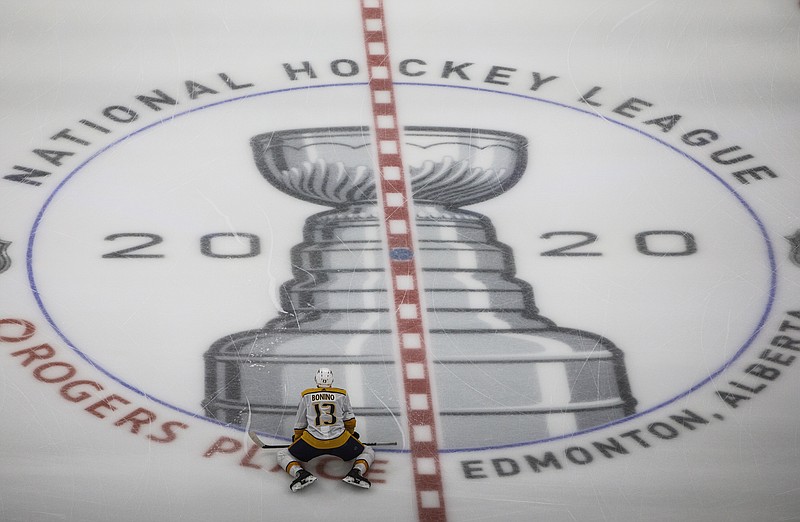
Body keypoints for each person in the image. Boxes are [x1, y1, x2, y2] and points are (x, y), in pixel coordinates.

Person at [277, 367, 375, 491]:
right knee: (368, 451)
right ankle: (356, 473)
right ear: (332, 380)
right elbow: (350, 420)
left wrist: (297, 439)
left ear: (315, 380)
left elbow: (300, 423)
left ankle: (300, 474)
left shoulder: (306, 395)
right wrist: (350, 435)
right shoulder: (341, 394)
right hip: (340, 441)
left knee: (282, 454)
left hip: (312, 442)